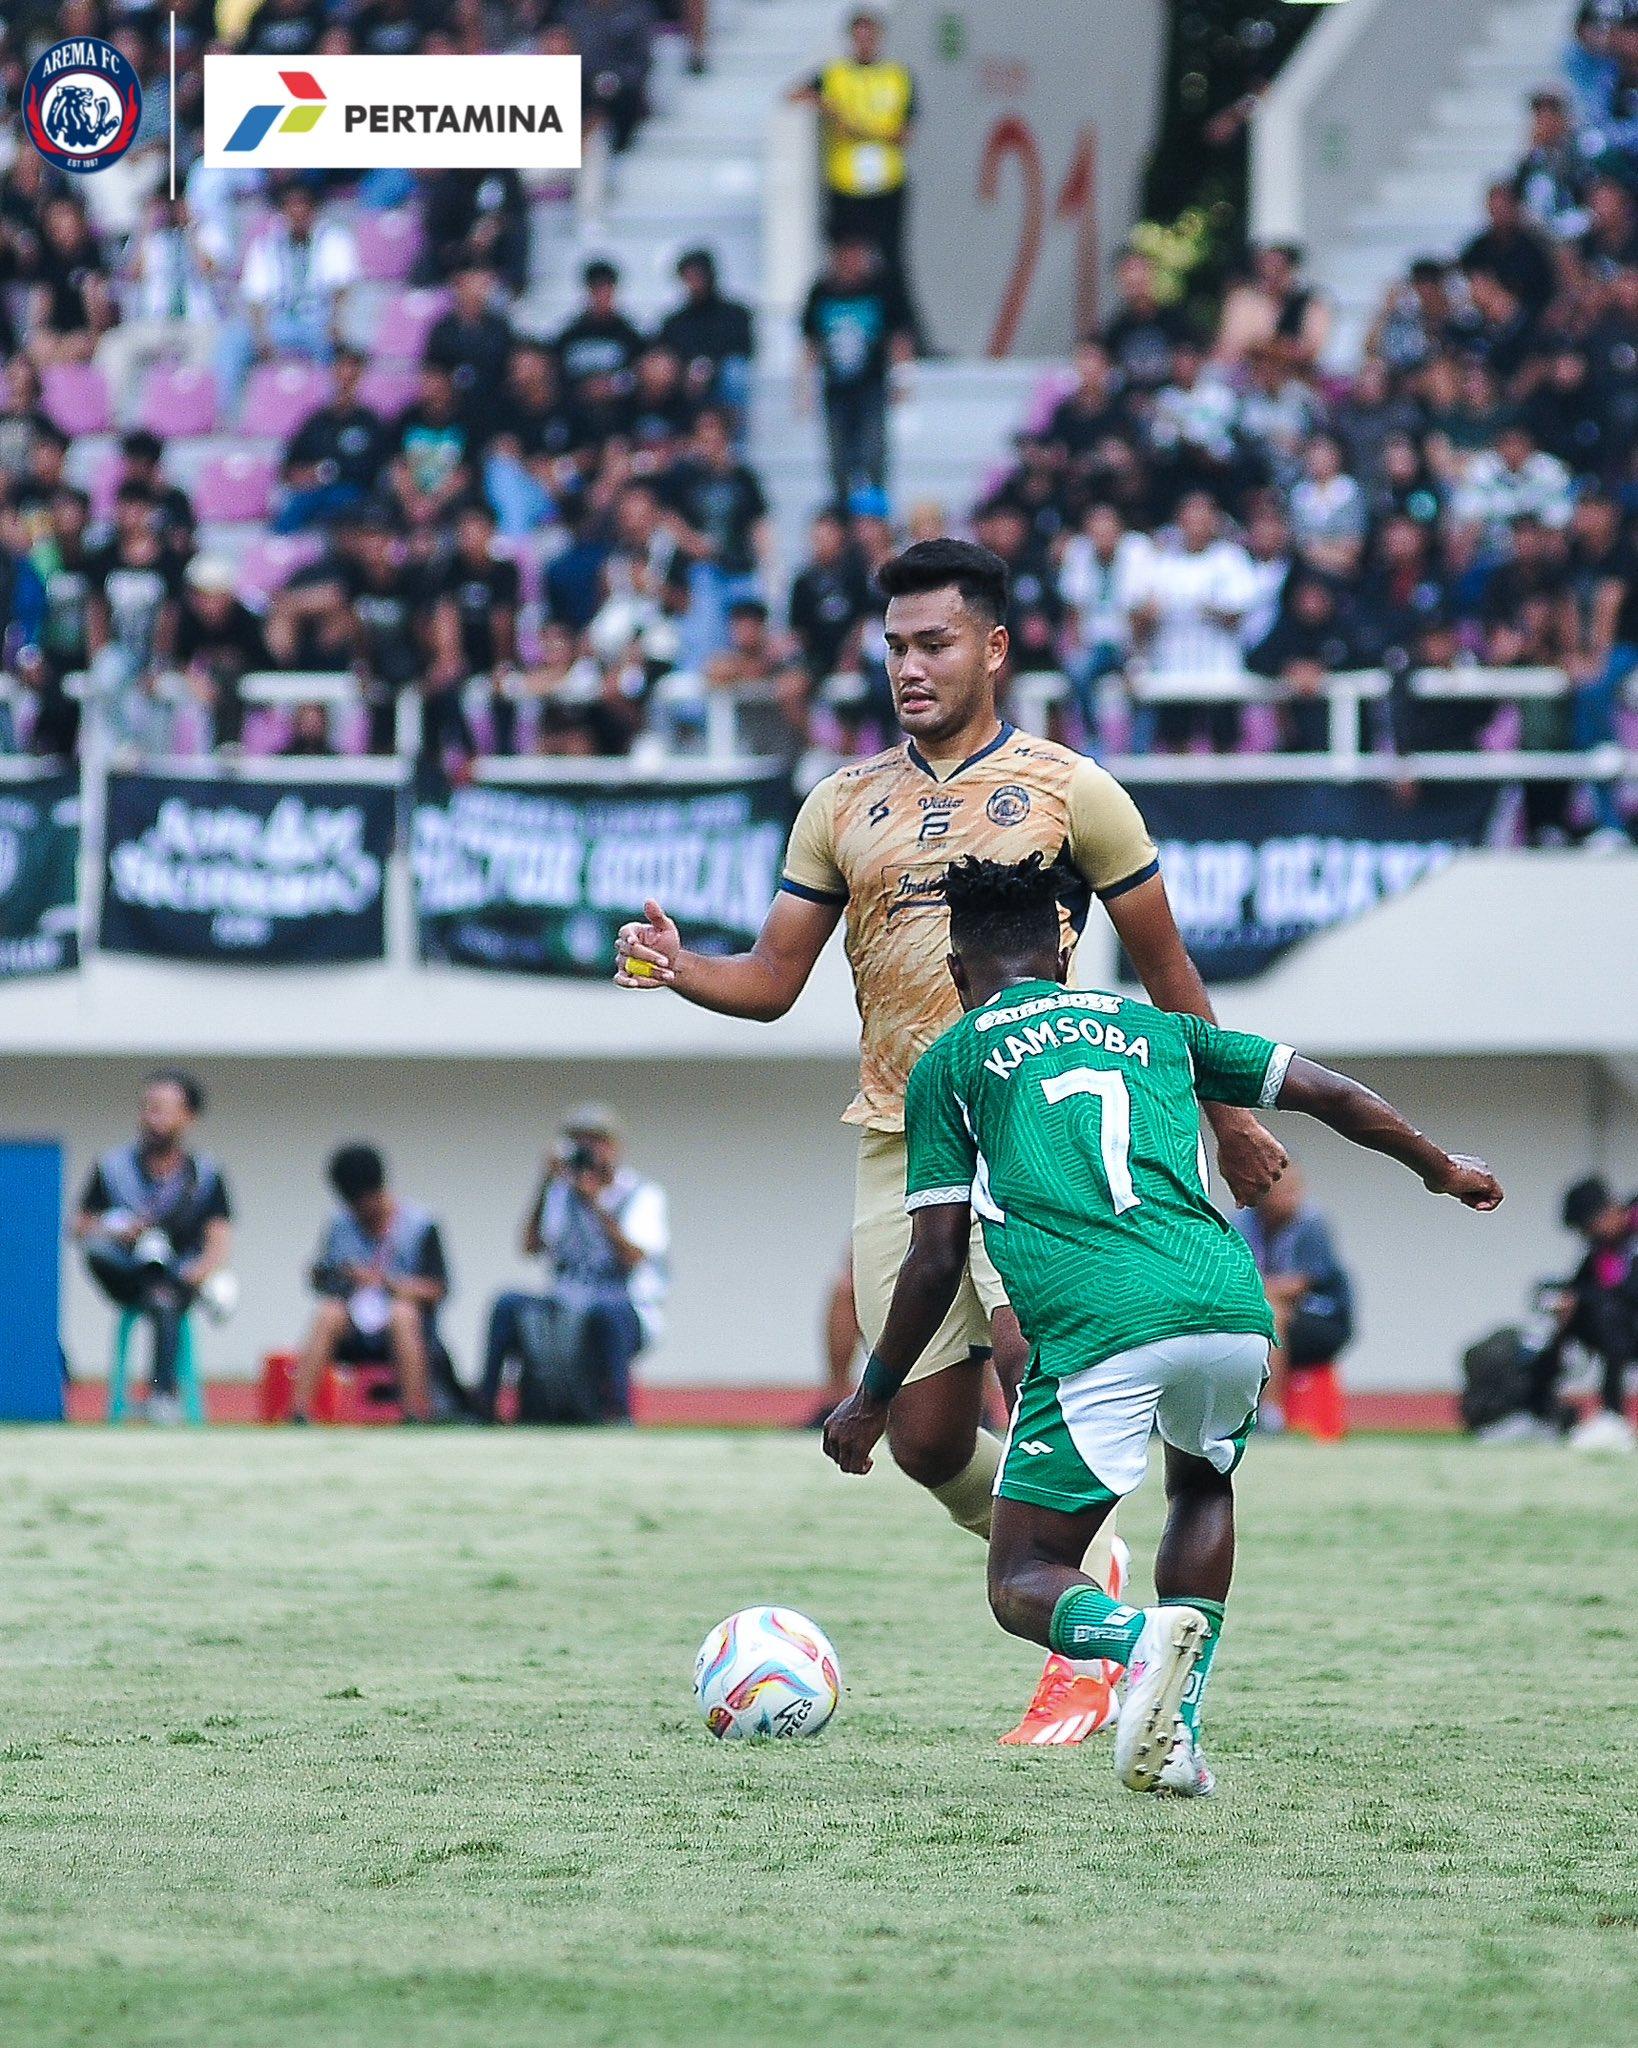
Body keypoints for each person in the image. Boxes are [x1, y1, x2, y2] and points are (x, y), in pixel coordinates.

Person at [615, 537, 1289, 1746]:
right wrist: (682, 970)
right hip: (902, 1140)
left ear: (994, 645)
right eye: (894, 648)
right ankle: (1088, 1575)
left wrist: (1229, 1120)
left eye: (934, 643)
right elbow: (775, 979)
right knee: (927, 1440)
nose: (911, 667)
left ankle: (1087, 1627)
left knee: (1042, 1366)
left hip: (1041, 1137)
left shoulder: (1074, 789)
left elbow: (1168, 965)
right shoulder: (842, 800)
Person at [823, 853, 1502, 1796]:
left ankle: (1139, 1641)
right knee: (1201, 1486)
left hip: (1102, 1325)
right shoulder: (1154, 1027)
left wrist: (870, 1396)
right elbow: (1328, 1093)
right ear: (1062, 953)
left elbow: (936, 1256)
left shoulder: (954, 1061)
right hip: (1229, 1307)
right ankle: (1176, 1739)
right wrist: (1440, 1168)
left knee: (1024, 1578)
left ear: (955, 967)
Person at [480, 1106, 668, 1423]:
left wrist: (595, 1204)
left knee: (607, 1314)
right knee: (508, 1304)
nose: (588, 1151)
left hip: (625, 1307)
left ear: (614, 1148)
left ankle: (618, 1412)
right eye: (579, 1142)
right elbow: (529, 1247)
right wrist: (544, 1184)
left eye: (596, 1142)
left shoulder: (641, 1195)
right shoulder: (559, 1194)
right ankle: (486, 1404)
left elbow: (634, 1258)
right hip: (564, 1303)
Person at [74, 1070, 234, 1425]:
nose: (151, 1117)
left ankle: (162, 1394)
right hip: (126, 1272)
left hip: (179, 1278)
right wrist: (115, 1229)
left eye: (162, 1109)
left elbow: (219, 1237)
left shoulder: (205, 1174)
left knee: (165, 1296)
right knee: (104, 1256)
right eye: (147, 1108)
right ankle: (158, 1394)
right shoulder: (112, 1167)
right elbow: (80, 1225)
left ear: (188, 1116)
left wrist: (203, 1268)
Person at [291, 1145, 451, 1426]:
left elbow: (437, 1289)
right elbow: (325, 1279)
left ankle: (415, 1413)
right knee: (328, 1313)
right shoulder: (339, 1225)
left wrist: (385, 1283)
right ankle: (299, 1411)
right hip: (354, 1326)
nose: (360, 1212)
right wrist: (330, 1275)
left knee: (402, 1314)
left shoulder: (420, 1225)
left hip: (405, 1327)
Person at [789, 9, 919, 313]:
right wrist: (830, 109)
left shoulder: (896, 75)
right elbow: (795, 95)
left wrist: (859, 128)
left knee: (891, 261)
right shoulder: (835, 74)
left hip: (886, 182)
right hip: (846, 182)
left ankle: (899, 325)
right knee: (842, 261)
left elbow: (906, 131)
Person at [1520, 1175, 1637, 1450]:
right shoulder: (1601, 1251)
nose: (1588, 1236)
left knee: (1609, 1313)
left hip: (1627, 1323)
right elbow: (1580, 1288)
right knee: (1565, 1316)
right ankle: (1539, 1411)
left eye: (1589, 1227)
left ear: (1608, 1211)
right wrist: (1565, 1303)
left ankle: (1614, 1416)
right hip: (1622, 1330)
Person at [800, 237, 915, 510]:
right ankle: (842, 511)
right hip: (836, 389)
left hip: (872, 386)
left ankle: (875, 511)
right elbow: (811, 343)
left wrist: (903, 381)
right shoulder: (822, 291)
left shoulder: (881, 290)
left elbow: (898, 339)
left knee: (873, 452)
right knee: (838, 457)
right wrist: (804, 388)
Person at [1233, 1163, 1355, 1422]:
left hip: (1323, 1319)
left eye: (1296, 1189)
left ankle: (1271, 1414)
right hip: (1259, 1314)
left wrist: (1258, 1294)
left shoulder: (1311, 1224)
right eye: (1285, 1190)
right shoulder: (1242, 1224)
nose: (1294, 1198)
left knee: (1273, 1309)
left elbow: (1299, 1284)